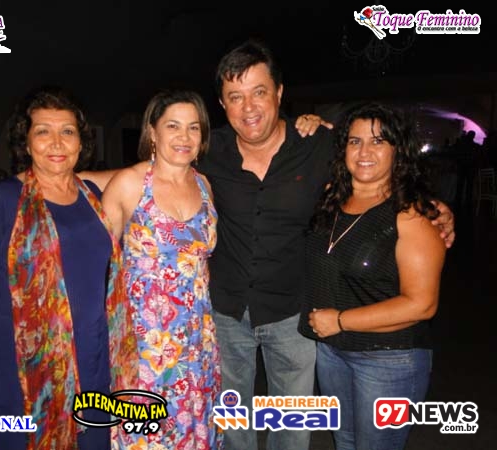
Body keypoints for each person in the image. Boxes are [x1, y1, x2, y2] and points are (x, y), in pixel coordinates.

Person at [194, 39, 455, 450]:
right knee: (232, 419)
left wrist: (433, 208)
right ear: (222, 104)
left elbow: (375, 167)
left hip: (294, 313)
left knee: (293, 423)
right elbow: (153, 175)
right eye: (235, 96)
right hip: (226, 310)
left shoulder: (317, 145)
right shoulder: (208, 151)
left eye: (259, 92)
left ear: (280, 93)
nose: (249, 107)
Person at [0, 86, 118, 450]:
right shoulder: (2, 199)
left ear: (81, 142)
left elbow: (146, 174)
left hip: (92, 358)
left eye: (67, 131)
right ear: (25, 143)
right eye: (43, 131)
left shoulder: (94, 194)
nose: (56, 142)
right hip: (24, 367)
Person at [299, 102, 446, 450]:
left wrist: (340, 320)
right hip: (332, 352)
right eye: (355, 141)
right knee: (345, 441)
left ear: (398, 150)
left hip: (390, 360)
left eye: (378, 141)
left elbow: (422, 305)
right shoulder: (330, 199)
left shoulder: (411, 216)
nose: (364, 152)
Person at [101, 90, 222, 449]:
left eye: (194, 127)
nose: (184, 137)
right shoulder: (129, 184)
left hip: (198, 338)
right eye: (173, 126)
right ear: (152, 132)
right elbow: (96, 263)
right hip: (145, 342)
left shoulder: (204, 185)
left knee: (194, 428)